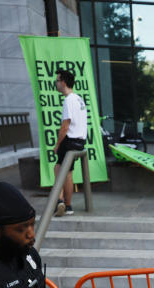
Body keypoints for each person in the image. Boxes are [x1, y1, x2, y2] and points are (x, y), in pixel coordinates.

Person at [52, 69, 88, 217]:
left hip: (69, 141)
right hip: (80, 142)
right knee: (68, 173)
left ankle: (60, 201)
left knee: (58, 170)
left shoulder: (68, 100)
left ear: (63, 83)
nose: (55, 83)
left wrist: (57, 144)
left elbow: (65, 126)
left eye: (57, 81)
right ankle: (68, 206)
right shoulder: (79, 99)